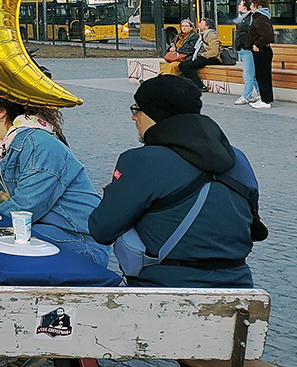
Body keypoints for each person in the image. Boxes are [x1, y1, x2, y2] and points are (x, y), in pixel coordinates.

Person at [89, 76, 264, 287]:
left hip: (162, 291)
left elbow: (101, 229)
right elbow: (254, 228)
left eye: (137, 109)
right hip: (239, 288)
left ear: (155, 113)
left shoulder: (141, 161)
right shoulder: (239, 159)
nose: (134, 117)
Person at [0, 91, 108, 266]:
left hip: (76, 240)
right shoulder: (0, 145)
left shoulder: (38, 144)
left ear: (1, 111)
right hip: (43, 230)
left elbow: (26, 206)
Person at [242, 0, 275, 110]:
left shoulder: (260, 18)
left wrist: (257, 44)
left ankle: (265, 101)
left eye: (252, 4)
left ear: (258, 6)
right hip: (262, 50)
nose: (251, 6)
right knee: (261, 75)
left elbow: (268, 36)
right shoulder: (260, 17)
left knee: (263, 76)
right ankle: (265, 98)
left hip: (261, 50)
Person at [178, 17, 224, 91]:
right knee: (182, 65)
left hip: (211, 58)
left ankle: (200, 86)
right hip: (204, 56)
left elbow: (214, 52)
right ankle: (191, 85)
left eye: (201, 23)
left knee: (187, 66)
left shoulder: (211, 35)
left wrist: (202, 55)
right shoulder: (204, 34)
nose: (199, 24)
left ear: (207, 26)